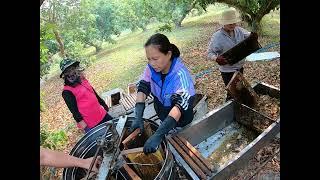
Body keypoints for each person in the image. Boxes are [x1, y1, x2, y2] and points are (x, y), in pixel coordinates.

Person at [129, 33, 196, 154]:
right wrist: (138, 114)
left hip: (180, 120)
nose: (152, 63)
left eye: (155, 58)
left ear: (169, 54)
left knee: (184, 145)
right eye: (149, 59)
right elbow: (143, 86)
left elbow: (179, 107)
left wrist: (158, 134)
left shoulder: (180, 76)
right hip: (163, 113)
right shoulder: (151, 68)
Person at [207, 8, 251, 101]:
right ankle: (230, 109)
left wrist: (253, 36)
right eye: (229, 22)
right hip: (227, 71)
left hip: (239, 67)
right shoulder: (217, 37)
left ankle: (240, 105)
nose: (232, 24)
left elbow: (249, 35)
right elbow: (209, 53)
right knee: (232, 92)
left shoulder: (239, 30)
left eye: (234, 22)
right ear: (223, 23)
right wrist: (216, 58)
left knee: (239, 89)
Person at [60, 58, 113, 133]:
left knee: (115, 128)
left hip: (101, 113)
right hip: (91, 122)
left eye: (72, 68)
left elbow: (93, 92)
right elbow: (74, 111)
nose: (71, 72)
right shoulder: (66, 91)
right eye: (68, 71)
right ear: (65, 75)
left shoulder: (82, 79)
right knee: (104, 140)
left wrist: (102, 103)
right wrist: (83, 125)